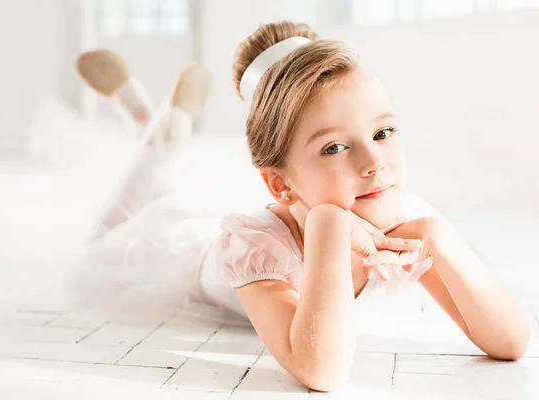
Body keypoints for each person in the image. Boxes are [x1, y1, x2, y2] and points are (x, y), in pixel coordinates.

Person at [78, 21, 529, 392]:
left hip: (249, 223)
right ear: (281, 185)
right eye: (334, 148)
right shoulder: (254, 246)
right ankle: (157, 132)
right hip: (170, 258)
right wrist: (329, 223)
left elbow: (510, 343)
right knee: (107, 235)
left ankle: (159, 130)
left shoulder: (402, 218)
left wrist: (437, 235)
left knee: (170, 198)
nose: (373, 163)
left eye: (383, 133)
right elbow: (320, 372)